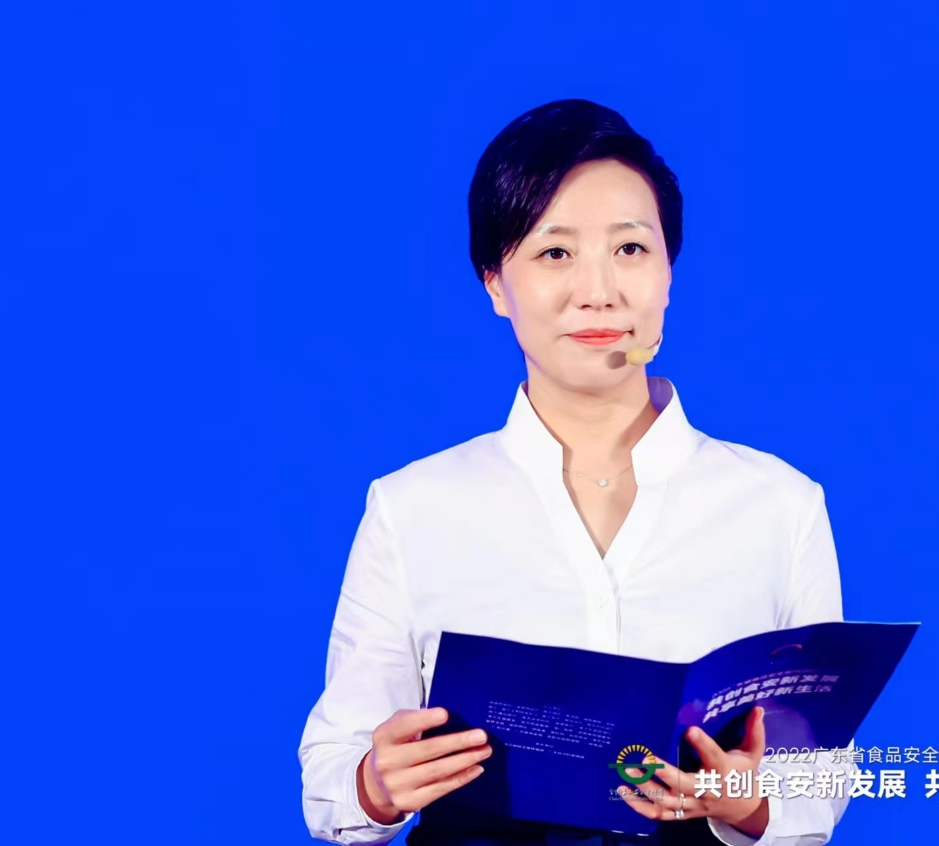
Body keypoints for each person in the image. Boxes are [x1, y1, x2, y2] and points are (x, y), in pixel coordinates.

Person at [298, 98, 857, 846]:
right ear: (495, 283)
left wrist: (749, 802)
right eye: (555, 253)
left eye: (630, 249)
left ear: (668, 273)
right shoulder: (414, 508)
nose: (599, 291)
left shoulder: (778, 505)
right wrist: (374, 783)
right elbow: (334, 771)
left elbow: (820, 773)